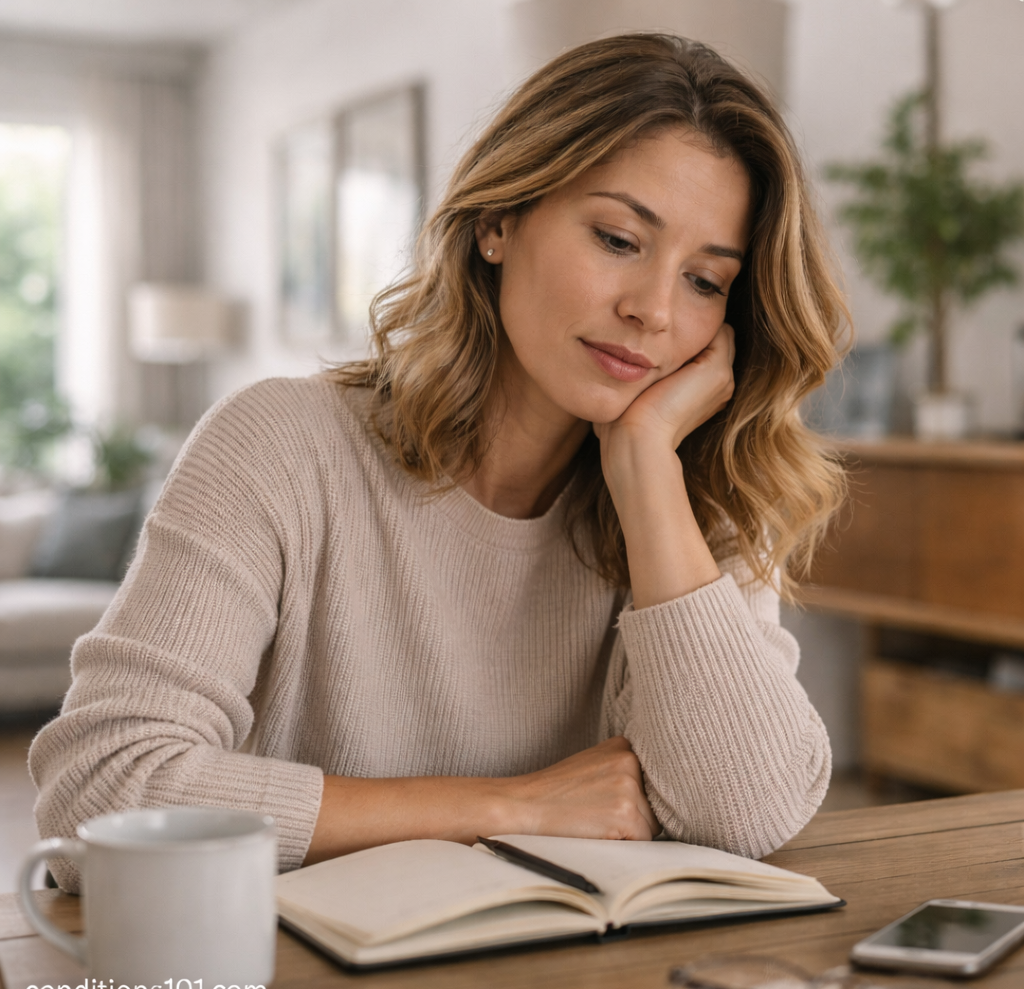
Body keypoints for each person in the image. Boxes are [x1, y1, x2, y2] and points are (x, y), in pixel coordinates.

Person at [31, 33, 848, 891]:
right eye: (616, 238)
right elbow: (101, 792)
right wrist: (509, 807)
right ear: (499, 221)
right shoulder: (279, 446)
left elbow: (746, 814)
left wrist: (646, 470)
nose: (652, 308)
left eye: (706, 282)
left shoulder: (694, 497)